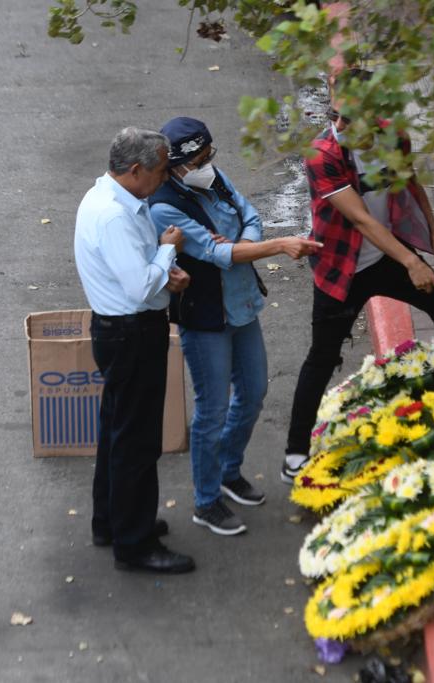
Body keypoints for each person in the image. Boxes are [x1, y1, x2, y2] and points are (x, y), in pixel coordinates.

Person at [281, 82, 434, 483]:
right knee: (322, 358)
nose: (340, 126)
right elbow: (361, 219)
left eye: (353, 120)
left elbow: (411, 185)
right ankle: (295, 454)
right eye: (336, 116)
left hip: (386, 259)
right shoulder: (323, 155)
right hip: (343, 270)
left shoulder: (395, 138)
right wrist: (412, 261)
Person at [149, 117, 322, 535]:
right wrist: (275, 245)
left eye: (210, 156)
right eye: (200, 160)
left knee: (255, 392)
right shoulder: (164, 207)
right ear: (177, 166)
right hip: (206, 318)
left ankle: (229, 470)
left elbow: (249, 214)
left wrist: (243, 243)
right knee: (213, 409)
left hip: (241, 306)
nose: (209, 165)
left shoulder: (213, 179)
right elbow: (214, 253)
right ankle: (206, 501)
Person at [73, 126, 195, 574]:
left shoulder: (114, 199)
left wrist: (164, 267)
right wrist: (166, 254)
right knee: (137, 442)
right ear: (136, 169)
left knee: (117, 430)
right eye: (162, 170)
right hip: (132, 333)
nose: (167, 178)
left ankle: (110, 520)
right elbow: (142, 286)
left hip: (121, 331)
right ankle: (135, 542)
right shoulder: (114, 215)